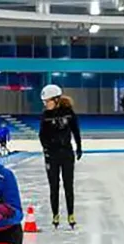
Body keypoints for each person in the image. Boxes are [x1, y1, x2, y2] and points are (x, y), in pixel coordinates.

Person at [39, 84, 82, 229]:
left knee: (68, 185)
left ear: (56, 99)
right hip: (52, 155)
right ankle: (55, 214)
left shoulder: (68, 112)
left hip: (67, 153)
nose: (45, 104)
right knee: (54, 186)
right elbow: (42, 135)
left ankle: (71, 214)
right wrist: (46, 150)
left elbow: (75, 130)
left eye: (47, 101)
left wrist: (79, 147)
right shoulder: (45, 115)